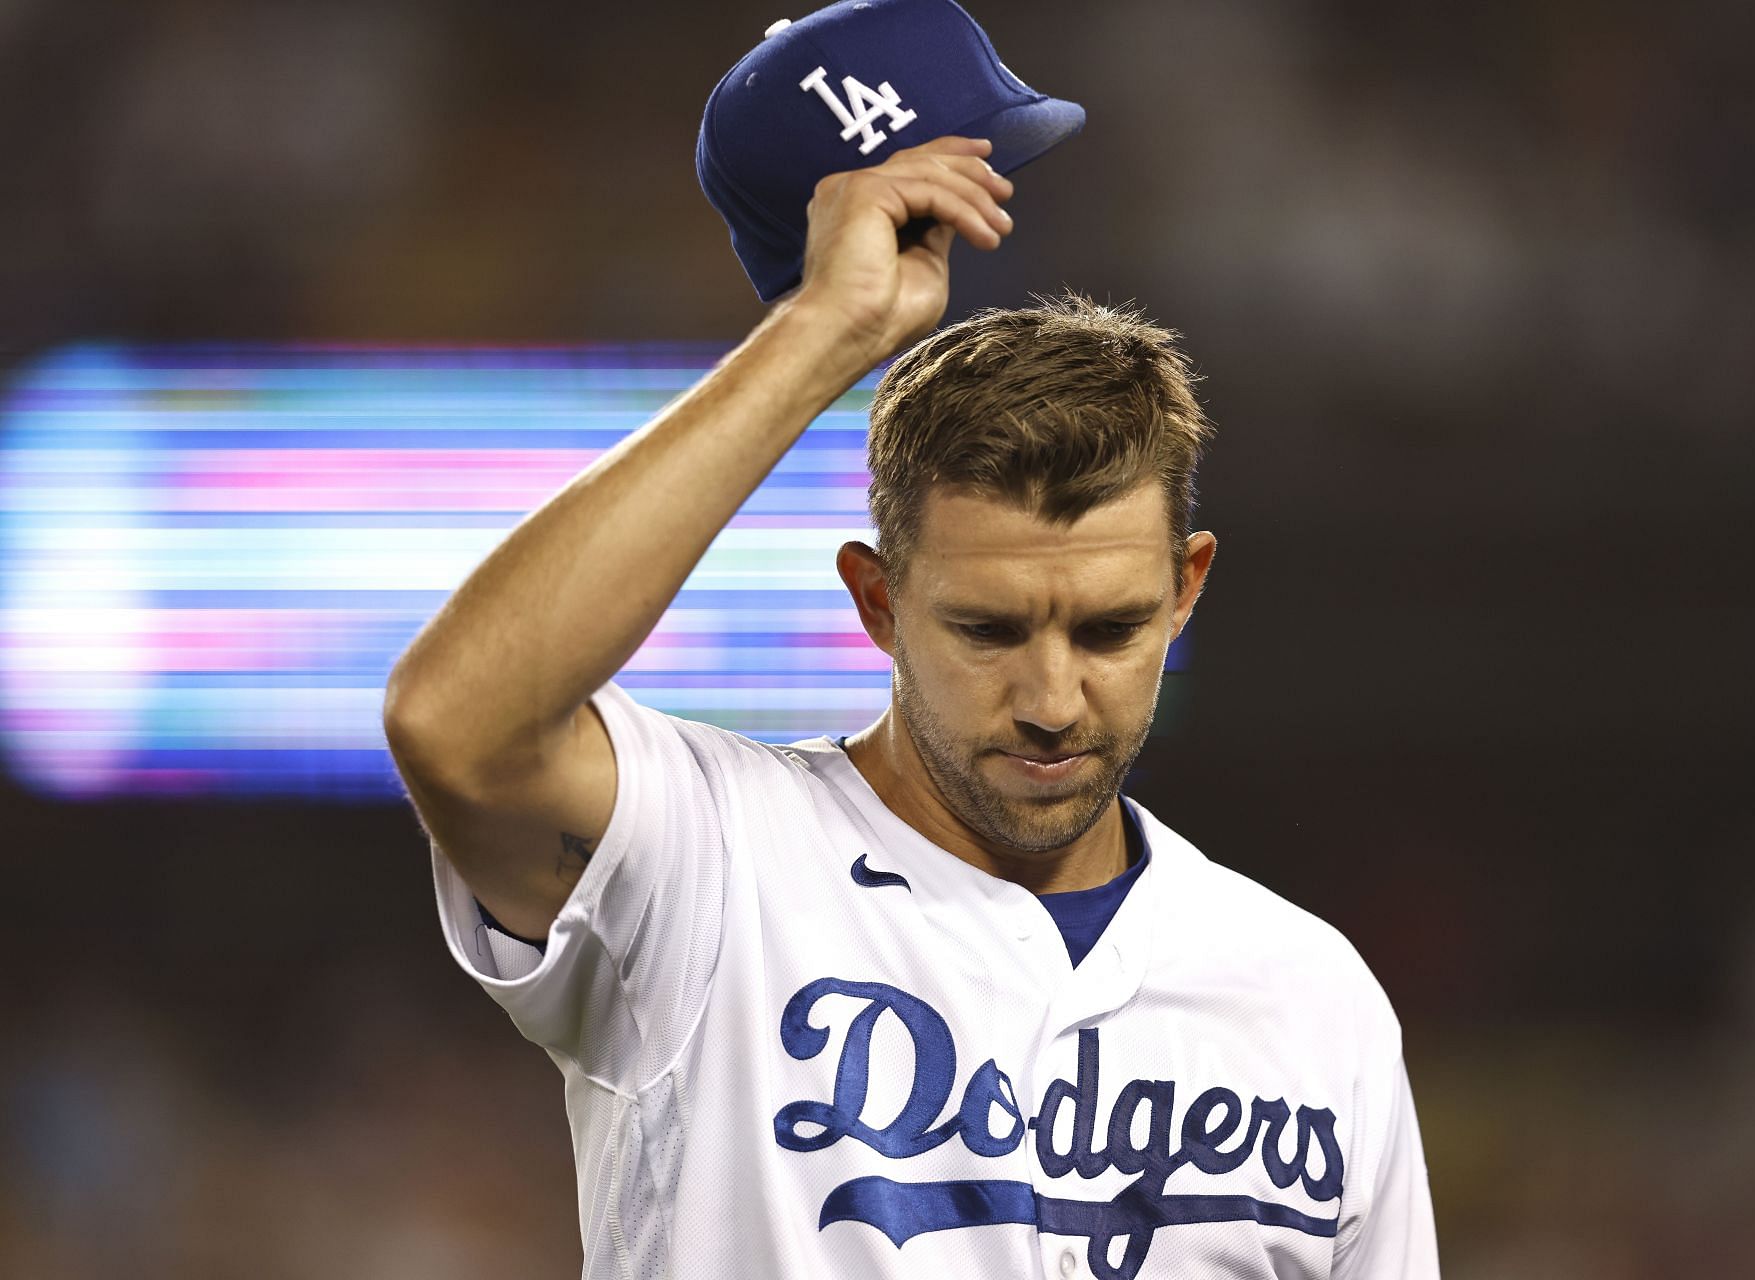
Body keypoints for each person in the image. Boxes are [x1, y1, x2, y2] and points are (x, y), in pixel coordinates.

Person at [384, 134, 1440, 1279]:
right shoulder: (708, 866)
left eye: (1108, 628)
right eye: (987, 629)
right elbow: (456, 718)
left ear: (1186, 588)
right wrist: (823, 332)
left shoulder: (1308, 990)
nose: (1051, 699)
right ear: (877, 600)